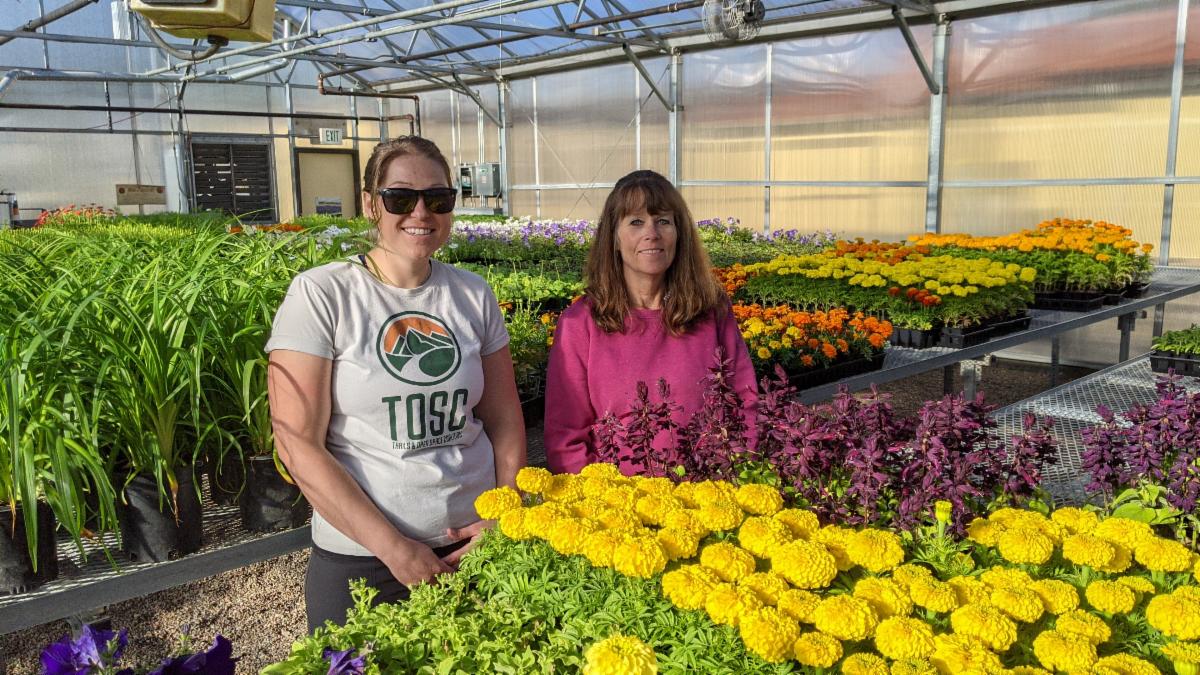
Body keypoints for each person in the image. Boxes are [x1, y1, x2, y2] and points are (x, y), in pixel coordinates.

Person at [266, 136, 526, 631]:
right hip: (365, 560)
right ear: (370, 203)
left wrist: (504, 514)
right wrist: (395, 549)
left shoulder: (472, 294)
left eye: (438, 198)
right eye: (401, 197)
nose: (421, 212)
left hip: (474, 546)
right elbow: (296, 442)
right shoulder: (322, 294)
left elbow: (505, 418)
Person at [543, 169, 756, 476]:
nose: (652, 233)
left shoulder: (711, 311)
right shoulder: (580, 323)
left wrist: (733, 476)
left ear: (679, 234)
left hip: (707, 490)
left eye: (663, 221)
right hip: (617, 499)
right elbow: (566, 438)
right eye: (636, 222)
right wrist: (600, 498)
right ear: (614, 238)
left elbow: (745, 404)